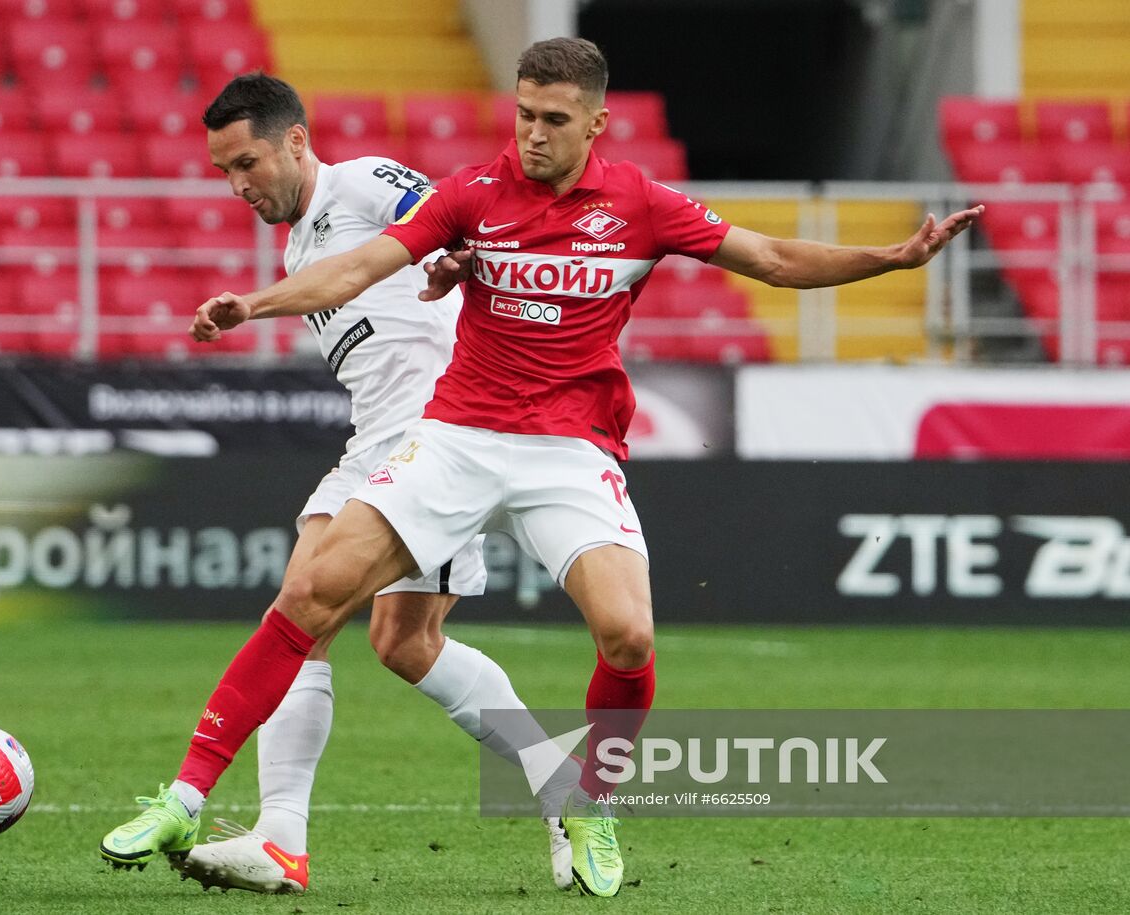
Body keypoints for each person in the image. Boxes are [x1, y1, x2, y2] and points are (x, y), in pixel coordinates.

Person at [109, 37, 984, 898]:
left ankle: (580, 795)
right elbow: (375, 264)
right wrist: (257, 303)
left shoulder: (622, 203)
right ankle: (201, 803)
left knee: (619, 635)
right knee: (327, 606)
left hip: (563, 446)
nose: (532, 133)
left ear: (596, 123)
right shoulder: (469, 193)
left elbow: (775, 258)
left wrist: (893, 259)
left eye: (552, 118)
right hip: (451, 436)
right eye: (523, 114)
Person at [99, 73, 576, 894]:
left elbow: (451, 227)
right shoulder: (296, 245)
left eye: (247, 162)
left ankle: (280, 833)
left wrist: (460, 258)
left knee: (305, 612)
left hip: (441, 437)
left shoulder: (365, 183)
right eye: (223, 172)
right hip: (376, 445)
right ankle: (553, 785)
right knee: (401, 643)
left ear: (294, 140)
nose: (238, 184)